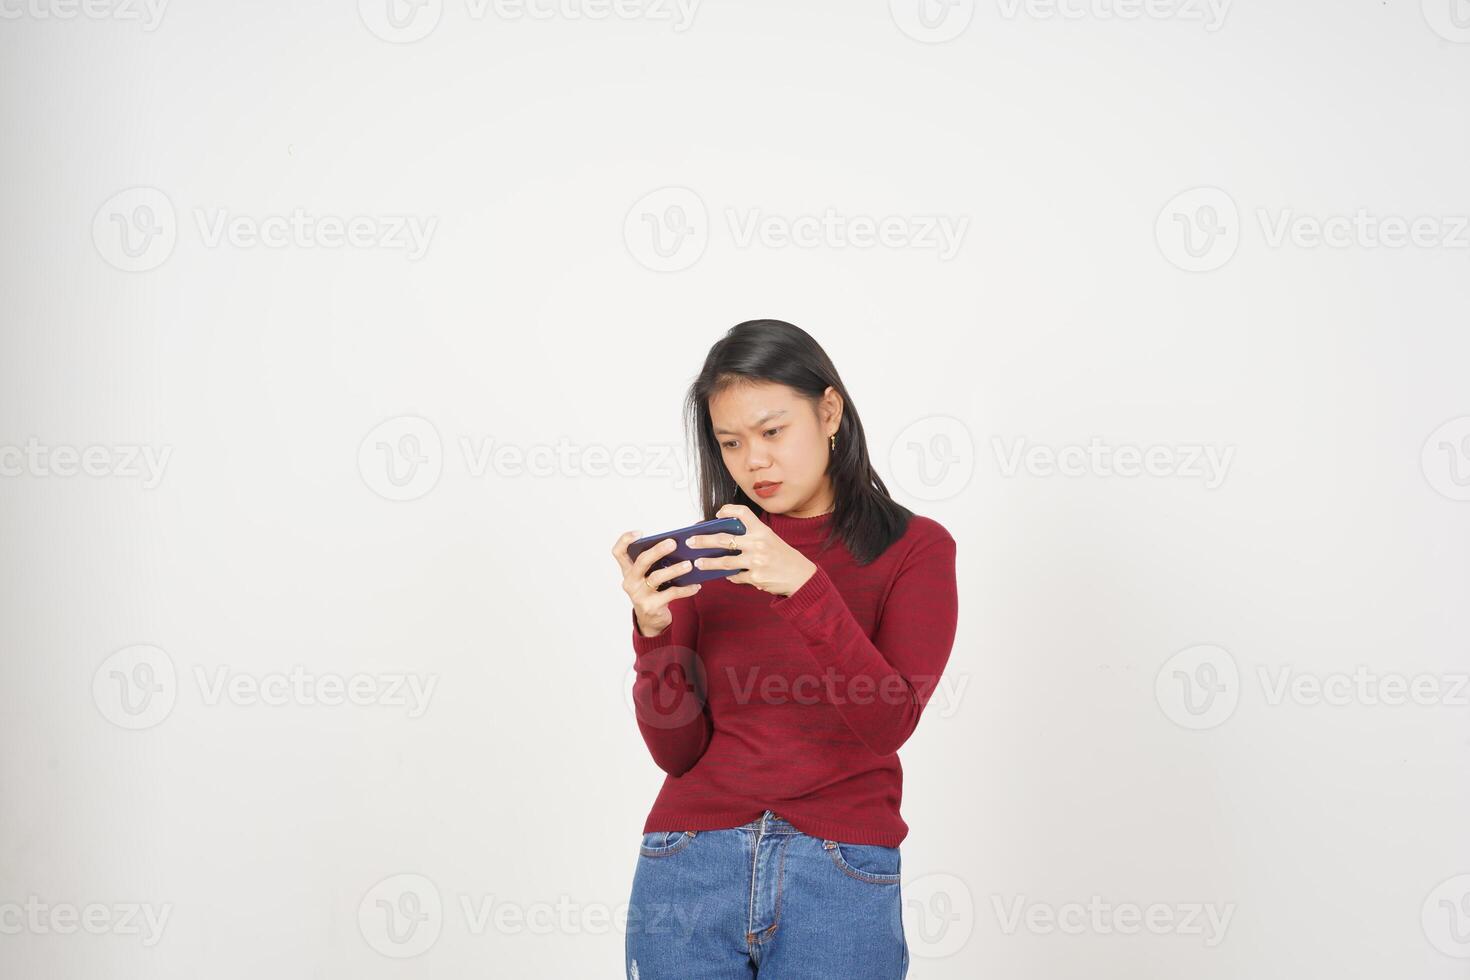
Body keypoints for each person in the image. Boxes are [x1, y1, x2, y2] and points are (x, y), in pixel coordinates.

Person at [610, 319, 959, 979]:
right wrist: (653, 636)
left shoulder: (915, 549)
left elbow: (887, 721)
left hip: (838, 867)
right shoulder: (712, 552)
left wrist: (803, 585)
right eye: (731, 442)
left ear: (829, 411)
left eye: (773, 432)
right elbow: (676, 752)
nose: (755, 461)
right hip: (688, 861)